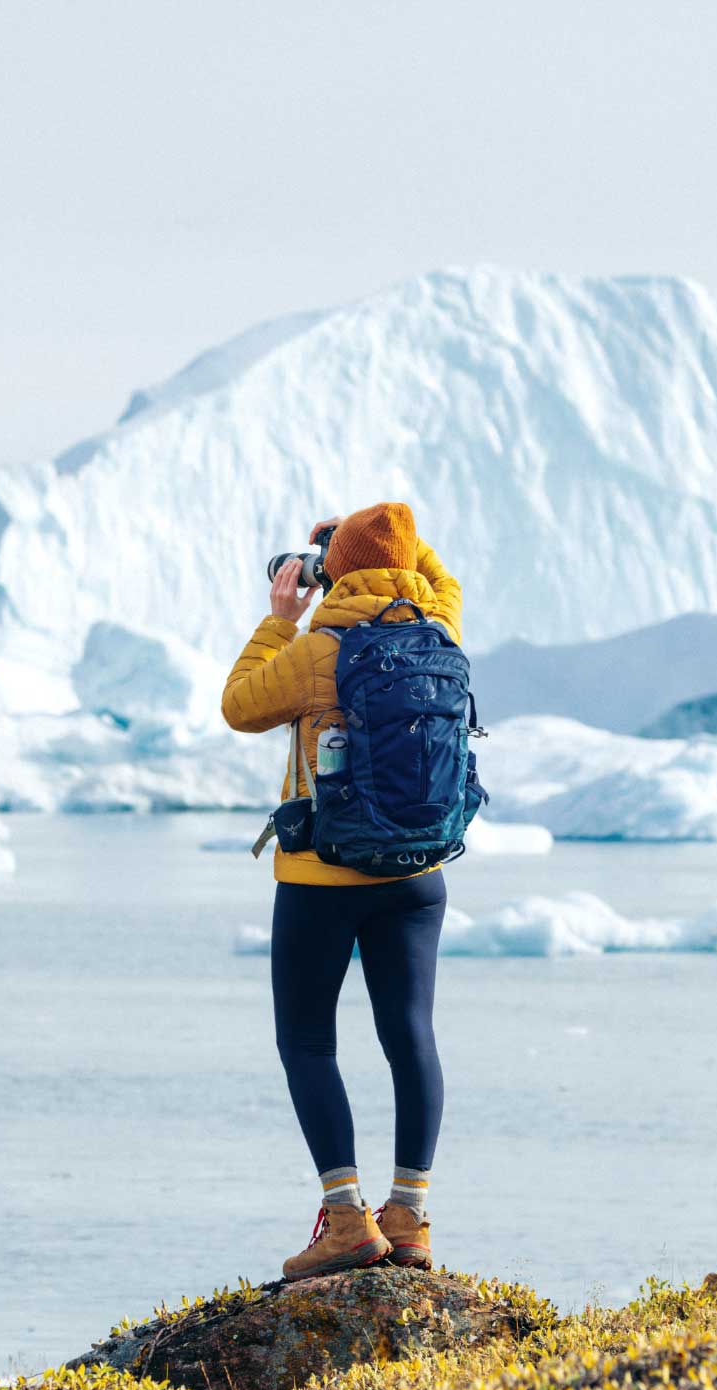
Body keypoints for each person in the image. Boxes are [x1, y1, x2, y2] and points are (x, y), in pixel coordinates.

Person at [222, 502, 462, 1280]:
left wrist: (281, 618)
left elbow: (240, 705)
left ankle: (348, 1219)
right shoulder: (442, 631)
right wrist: (380, 546)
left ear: (336, 572)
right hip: (418, 874)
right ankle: (412, 1216)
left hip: (322, 876)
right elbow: (439, 578)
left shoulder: (318, 648)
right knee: (410, 1035)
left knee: (308, 1041)